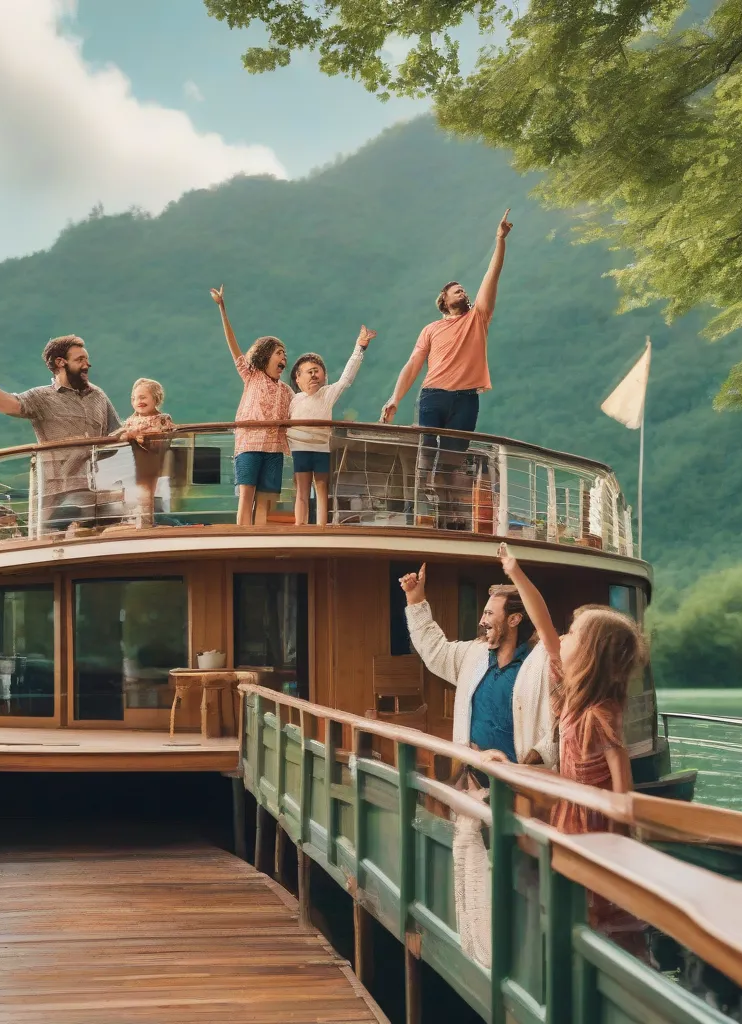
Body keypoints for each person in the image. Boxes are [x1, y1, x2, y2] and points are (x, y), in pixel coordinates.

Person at [398, 546, 557, 967]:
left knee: (511, 879)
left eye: (490, 613)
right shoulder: (472, 656)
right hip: (474, 787)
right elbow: (434, 651)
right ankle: (478, 958)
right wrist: (417, 602)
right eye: (485, 612)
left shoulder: (541, 665)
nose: (483, 619)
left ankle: (508, 966)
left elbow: (556, 731)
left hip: (522, 793)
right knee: (466, 864)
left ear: (515, 620)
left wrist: (529, 764)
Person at [497, 542, 650, 955]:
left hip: (595, 827)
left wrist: (622, 848)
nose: (560, 637)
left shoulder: (601, 714)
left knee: (599, 910)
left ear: (591, 657)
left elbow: (623, 793)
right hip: (570, 815)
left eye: (573, 635)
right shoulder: (573, 692)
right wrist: (515, 572)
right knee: (573, 905)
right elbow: (543, 624)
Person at [381, 210, 513, 525]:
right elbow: (413, 364)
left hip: (466, 398)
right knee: (426, 457)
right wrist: (395, 398)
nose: (462, 291)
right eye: (456, 290)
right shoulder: (430, 329)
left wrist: (499, 241)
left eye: (463, 289)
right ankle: (419, 513)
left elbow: (492, 276)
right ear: (443, 300)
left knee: (452, 463)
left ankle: (449, 518)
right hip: (433, 395)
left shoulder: (478, 317)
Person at [0, 336, 122, 532]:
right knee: (59, 537)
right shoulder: (42, 397)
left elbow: (117, 435)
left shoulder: (98, 396)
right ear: (60, 362)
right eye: (80, 359)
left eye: (86, 359)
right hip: (58, 495)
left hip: (97, 490)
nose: (87, 364)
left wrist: (146, 426)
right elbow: (6, 405)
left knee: (129, 514)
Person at [210, 284, 294, 526]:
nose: (283, 358)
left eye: (285, 354)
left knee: (266, 498)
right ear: (265, 355)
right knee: (246, 495)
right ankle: (242, 535)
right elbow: (233, 345)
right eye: (279, 352)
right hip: (249, 444)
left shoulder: (287, 391)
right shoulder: (252, 375)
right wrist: (222, 309)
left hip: (274, 448)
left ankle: (260, 536)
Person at [288, 325, 376, 526]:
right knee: (301, 489)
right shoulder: (294, 400)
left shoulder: (327, 394)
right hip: (299, 449)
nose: (313, 376)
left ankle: (320, 528)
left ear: (323, 375)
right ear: (297, 378)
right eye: (308, 372)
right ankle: (299, 526)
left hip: (322, 448)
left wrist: (359, 348)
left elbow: (346, 378)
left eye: (316, 371)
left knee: (321, 488)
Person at [116, 377, 175, 528]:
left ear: (156, 398)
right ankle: (134, 520)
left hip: (152, 459)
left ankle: (147, 522)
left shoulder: (162, 419)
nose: (139, 401)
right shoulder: (130, 421)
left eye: (143, 397)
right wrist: (128, 435)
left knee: (148, 491)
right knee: (132, 492)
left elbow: (166, 437)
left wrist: (145, 437)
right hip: (132, 461)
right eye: (135, 398)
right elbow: (119, 436)